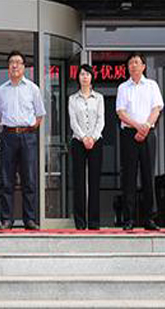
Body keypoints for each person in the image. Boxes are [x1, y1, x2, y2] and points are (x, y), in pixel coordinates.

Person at [0, 50, 46, 230]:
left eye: (18, 62)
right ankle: (6, 220)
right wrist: (8, 130)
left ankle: (29, 219)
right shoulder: (1, 90)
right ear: (8, 67)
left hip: (28, 136)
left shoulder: (33, 89)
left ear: (24, 67)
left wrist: (30, 129)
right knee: (7, 180)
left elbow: (40, 115)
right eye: (11, 62)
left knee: (29, 179)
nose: (15, 65)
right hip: (8, 136)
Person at [116, 53, 164, 231]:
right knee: (129, 176)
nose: (133, 66)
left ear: (144, 66)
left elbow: (156, 108)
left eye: (136, 62)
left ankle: (150, 218)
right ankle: (128, 219)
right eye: (130, 63)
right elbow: (121, 112)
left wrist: (146, 126)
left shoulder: (152, 86)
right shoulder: (123, 87)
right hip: (129, 134)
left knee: (148, 176)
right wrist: (138, 126)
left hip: (148, 134)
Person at [68, 64, 105, 230]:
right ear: (78, 77)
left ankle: (94, 222)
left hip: (96, 141)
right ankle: (80, 222)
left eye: (87, 74)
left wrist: (93, 137)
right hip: (78, 142)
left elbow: (101, 120)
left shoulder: (99, 98)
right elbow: (73, 121)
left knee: (94, 181)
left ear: (92, 78)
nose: (84, 77)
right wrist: (84, 137)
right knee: (79, 182)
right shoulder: (72, 99)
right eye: (82, 74)